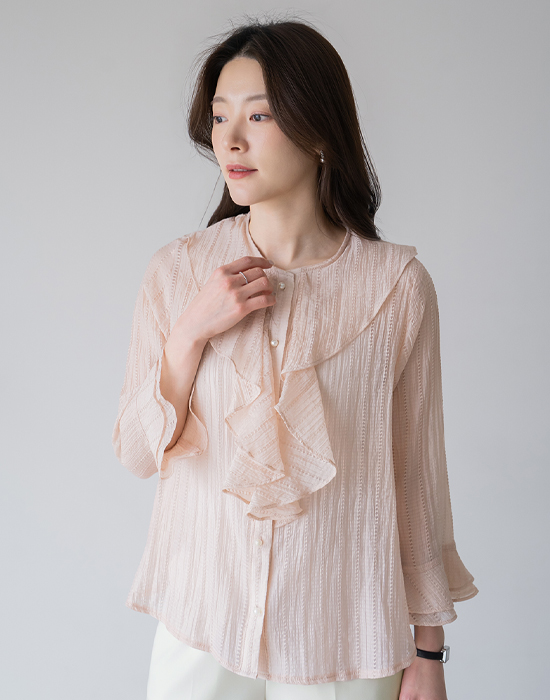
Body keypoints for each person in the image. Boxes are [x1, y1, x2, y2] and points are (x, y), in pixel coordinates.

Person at [112, 17, 479, 700]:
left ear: (318, 131)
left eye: (259, 115)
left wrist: (429, 652)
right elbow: (136, 451)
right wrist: (189, 334)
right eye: (219, 116)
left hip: (341, 634)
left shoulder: (397, 288)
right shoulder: (176, 273)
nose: (231, 139)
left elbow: (416, 480)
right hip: (202, 626)